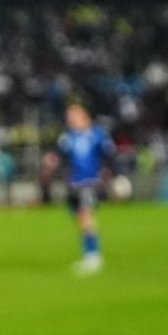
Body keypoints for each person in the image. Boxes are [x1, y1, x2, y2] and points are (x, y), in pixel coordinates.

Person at [56, 103, 114, 275]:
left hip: (91, 182)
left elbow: (110, 154)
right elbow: (61, 157)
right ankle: (90, 254)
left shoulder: (97, 135)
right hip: (75, 184)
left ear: (84, 116)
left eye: (73, 116)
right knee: (80, 218)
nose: (70, 120)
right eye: (69, 117)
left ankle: (93, 256)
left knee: (86, 216)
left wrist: (109, 174)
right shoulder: (68, 137)